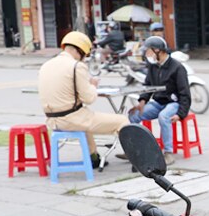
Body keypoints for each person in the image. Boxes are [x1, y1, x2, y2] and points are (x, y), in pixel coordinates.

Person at [39, 31, 129, 167]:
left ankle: (93, 158)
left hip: (52, 120)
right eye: (85, 55)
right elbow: (89, 98)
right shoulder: (76, 66)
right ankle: (137, 158)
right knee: (122, 120)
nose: (84, 59)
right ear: (79, 50)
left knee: (86, 120)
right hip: (72, 119)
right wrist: (92, 85)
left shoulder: (46, 65)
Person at [124, 36, 190, 166]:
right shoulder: (153, 67)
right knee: (133, 115)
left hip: (173, 103)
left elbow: (185, 94)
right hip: (158, 102)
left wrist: (181, 114)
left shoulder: (177, 67)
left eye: (149, 51)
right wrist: (142, 101)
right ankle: (136, 150)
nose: (147, 54)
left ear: (158, 50)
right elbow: (148, 86)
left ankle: (168, 153)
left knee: (163, 117)